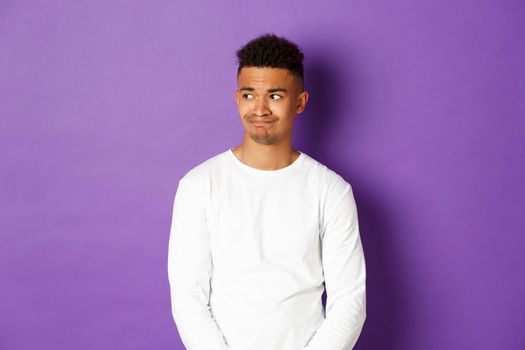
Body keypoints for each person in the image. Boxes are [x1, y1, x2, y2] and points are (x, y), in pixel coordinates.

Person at [167, 33, 367, 350]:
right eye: (249, 95)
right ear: (237, 99)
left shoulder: (330, 190)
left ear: (299, 102)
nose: (259, 109)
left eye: (274, 96)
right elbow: (187, 295)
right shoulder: (199, 185)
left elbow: (349, 300)